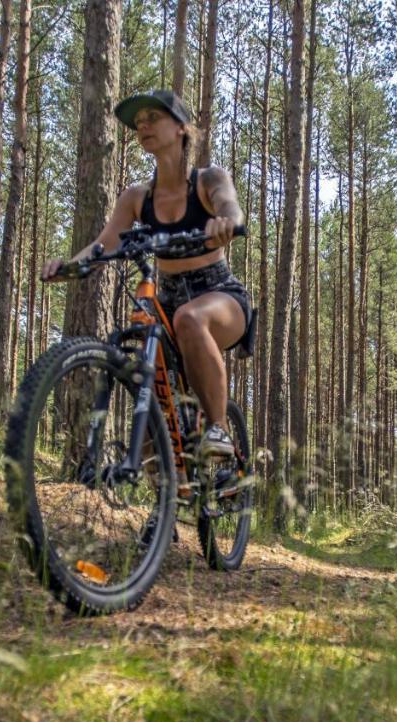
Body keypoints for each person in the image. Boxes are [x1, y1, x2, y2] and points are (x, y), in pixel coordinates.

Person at [42, 90, 250, 460]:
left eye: (153, 117)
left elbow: (230, 206)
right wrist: (71, 267)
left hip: (219, 294)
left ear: (181, 128)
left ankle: (218, 428)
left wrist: (226, 223)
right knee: (150, 385)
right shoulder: (137, 197)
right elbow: (104, 243)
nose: (143, 126)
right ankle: (163, 497)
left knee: (190, 317)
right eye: (138, 123)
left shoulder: (208, 180)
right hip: (165, 299)